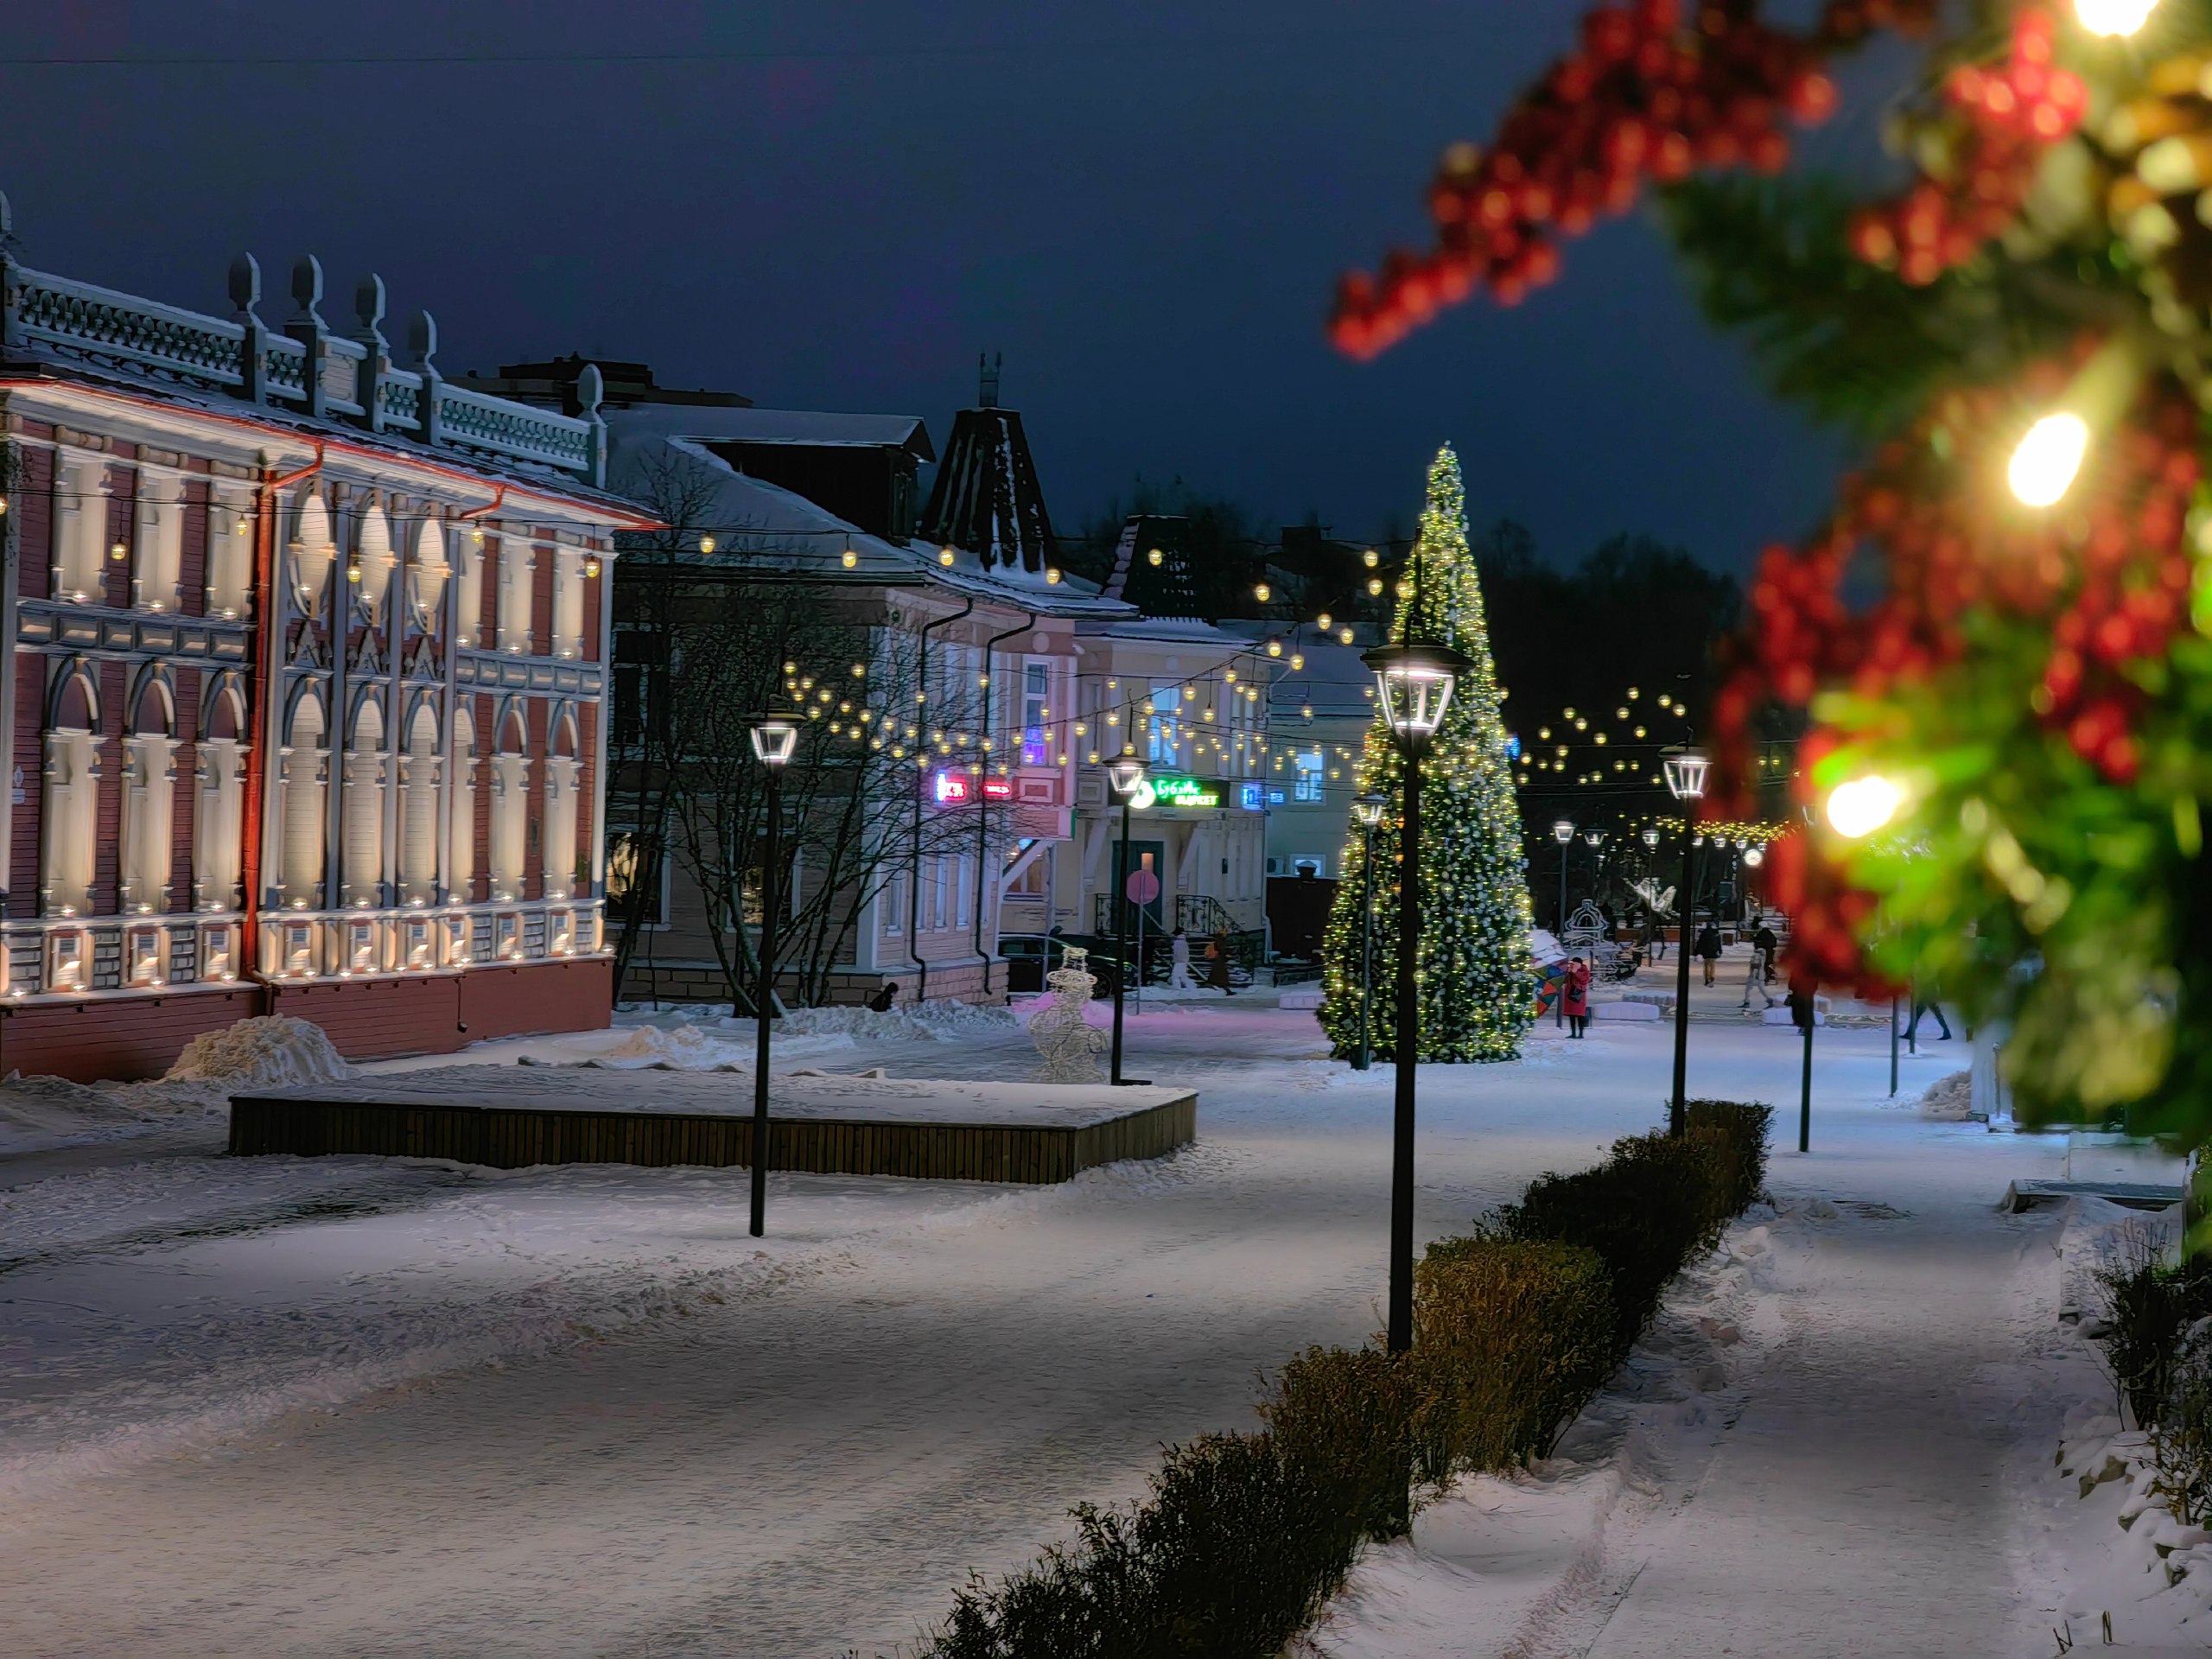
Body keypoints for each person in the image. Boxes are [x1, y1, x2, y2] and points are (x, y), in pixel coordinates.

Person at [1741, 921, 1777, 1011]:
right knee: (1760, 988)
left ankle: (1748, 1001)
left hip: (1756, 974)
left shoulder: (1757, 954)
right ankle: (1767, 1000)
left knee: (1751, 987)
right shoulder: (1765, 949)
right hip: (1761, 974)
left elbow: (1755, 965)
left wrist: (1753, 975)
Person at [1563, 956, 1592, 1038]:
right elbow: (1565, 980)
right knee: (1571, 1015)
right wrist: (1567, 972)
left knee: (1579, 1015)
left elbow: (1585, 980)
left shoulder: (1583, 970)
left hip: (1578, 995)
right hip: (1570, 995)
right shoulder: (1570, 971)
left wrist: (1576, 972)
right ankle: (1573, 1033)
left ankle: (1581, 1034)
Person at [1695, 920, 1724, 987]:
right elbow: (1719, 944)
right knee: (1712, 965)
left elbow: (1700, 944)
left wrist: (1698, 952)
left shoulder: (1704, 934)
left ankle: (1707, 978)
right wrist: (1720, 950)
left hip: (1706, 952)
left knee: (1706, 966)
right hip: (1713, 952)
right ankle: (1712, 976)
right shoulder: (1716, 934)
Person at [1207, 928, 1235, 996]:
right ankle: (1225, 989)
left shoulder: (1218, 940)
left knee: (1218, 974)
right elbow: (1221, 949)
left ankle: (1219, 986)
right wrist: (1226, 953)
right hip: (1220, 960)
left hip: (1218, 960)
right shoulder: (1222, 940)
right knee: (1222, 975)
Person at [1169, 926, 1194, 990]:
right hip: (1184, 960)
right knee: (1183, 976)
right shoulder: (1184, 941)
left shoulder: (1177, 942)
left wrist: (1173, 959)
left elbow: (1177, 953)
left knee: (1175, 976)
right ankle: (1189, 988)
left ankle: (1177, 989)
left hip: (1179, 961)